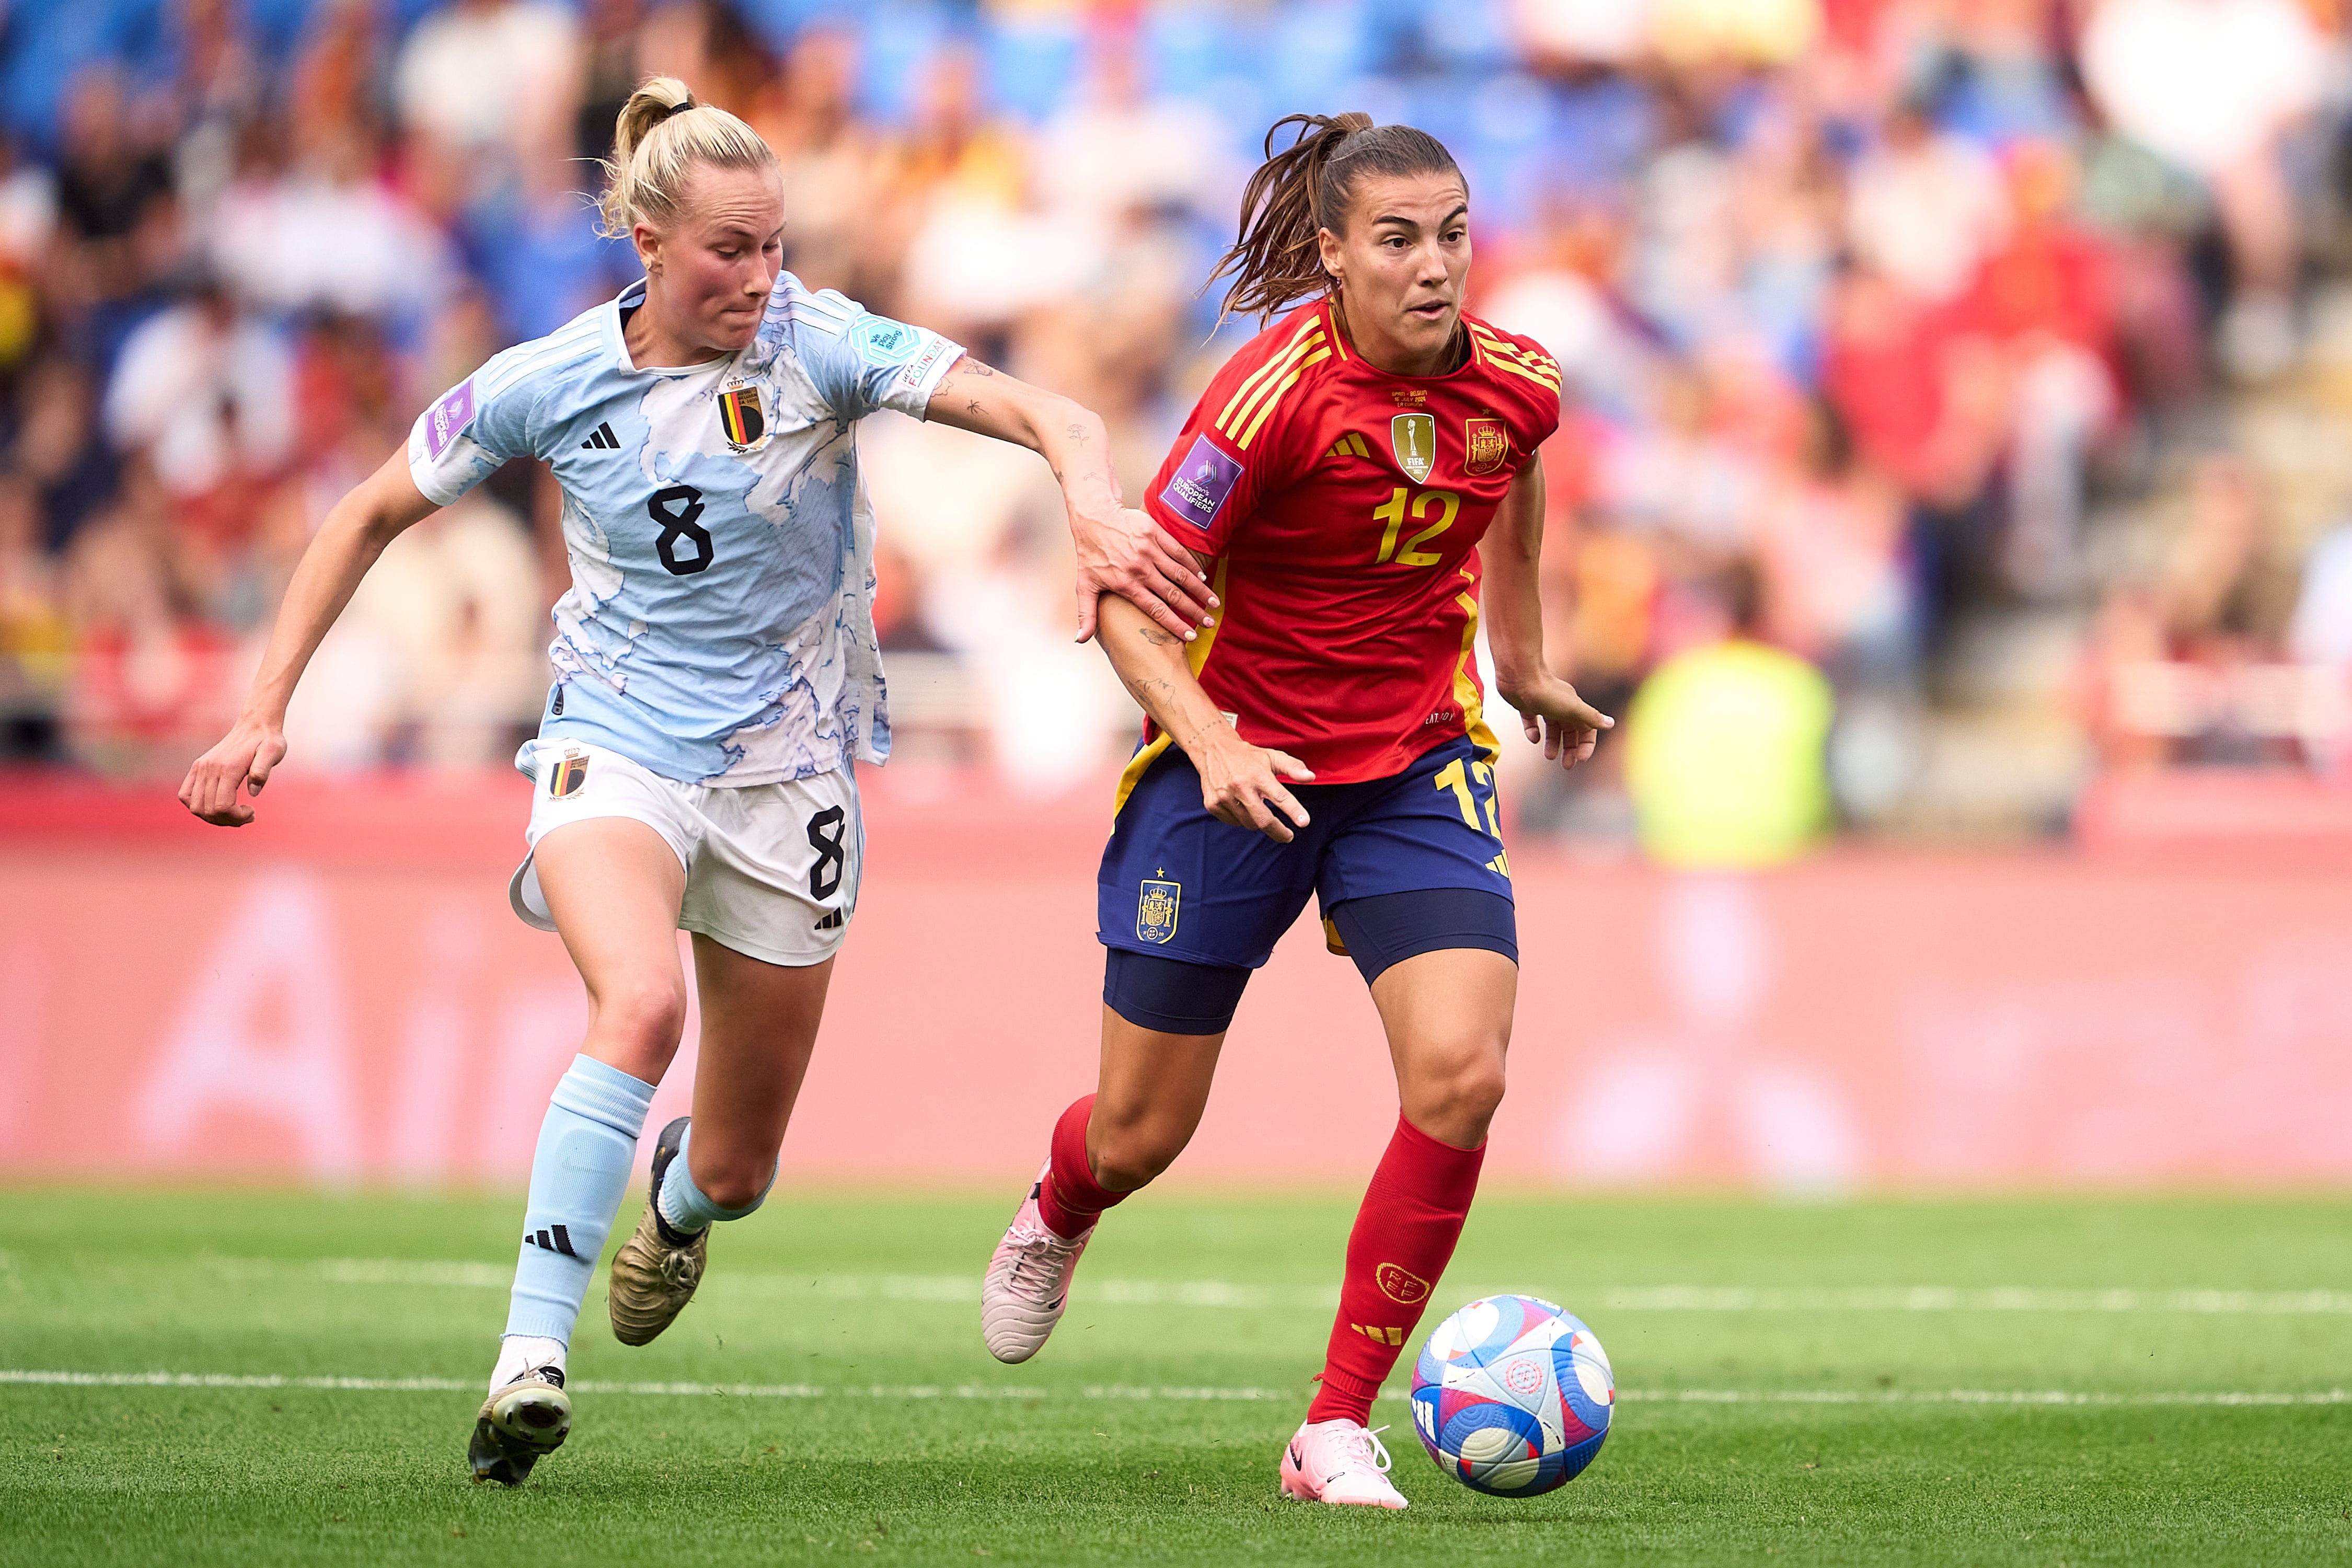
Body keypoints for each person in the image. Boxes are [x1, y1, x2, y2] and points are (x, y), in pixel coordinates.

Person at [177, 76, 1212, 1487]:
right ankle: (527, 1362)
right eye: (730, 248)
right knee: (640, 1000)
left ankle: (673, 1199)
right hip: (618, 741)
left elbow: (1051, 414)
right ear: (647, 240)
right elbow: (364, 512)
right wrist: (260, 714)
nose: (759, 277)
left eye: (775, 244)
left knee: (734, 1169)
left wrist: (1089, 498)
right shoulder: (546, 382)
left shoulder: (822, 346)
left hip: (793, 775)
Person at [977, 112, 1613, 1510]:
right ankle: (1062, 1201)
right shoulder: (1263, 401)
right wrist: (1206, 738)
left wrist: (1521, 664)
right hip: (1234, 772)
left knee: (1463, 1074)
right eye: (1396, 240)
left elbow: (1512, 478)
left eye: (1450, 232)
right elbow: (1119, 602)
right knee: (1142, 1133)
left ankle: (1330, 1426)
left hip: (1410, 766)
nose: (1434, 267)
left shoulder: (1518, 382)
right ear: (1330, 253)